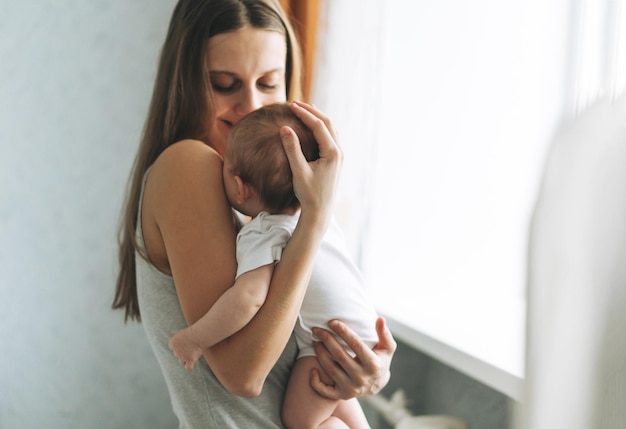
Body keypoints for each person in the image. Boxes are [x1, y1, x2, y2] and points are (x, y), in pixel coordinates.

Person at [112, 1, 396, 428]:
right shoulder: (188, 166)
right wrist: (314, 219)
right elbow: (243, 374)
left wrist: (364, 373)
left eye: (268, 83)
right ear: (185, 84)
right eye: (225, 84)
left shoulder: (260, 204)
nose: (251, 105)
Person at [169, 102, 379, 428]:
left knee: (300, 420)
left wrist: (194, 339)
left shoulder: (265, 231)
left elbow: (248, 298)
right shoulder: (318, 218)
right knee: (334, 404)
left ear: (239, 186)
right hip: (363, 333)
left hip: (329, 342)